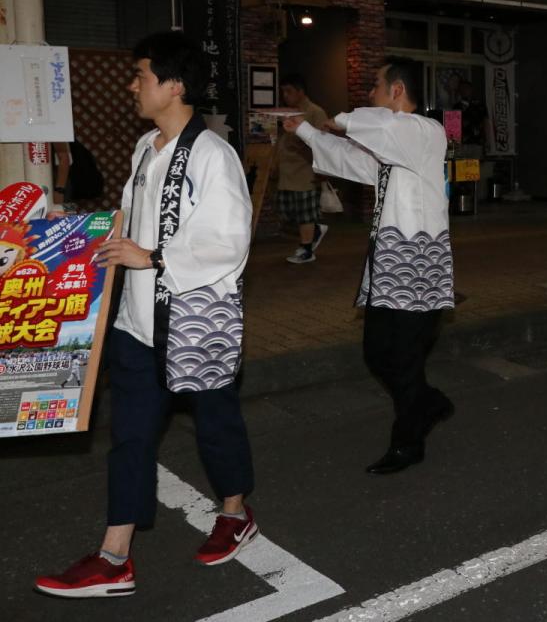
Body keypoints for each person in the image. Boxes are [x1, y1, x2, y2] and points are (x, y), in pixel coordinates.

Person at [35, 31, 257, 598]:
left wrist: (153, 255)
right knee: (130, 437)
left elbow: (230, 239)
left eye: (141, 75)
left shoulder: (213, 155)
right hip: (137, 323)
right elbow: (132, 225)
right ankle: (114, 558)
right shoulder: (145, 149)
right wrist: (74, 228)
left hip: (195, 320)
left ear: (175, 85)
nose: (133, 85)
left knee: (215, 426)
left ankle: (235, 511)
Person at [284, 56, 455, 475]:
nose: (370, 94)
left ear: (396, 91)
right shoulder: (395, 141)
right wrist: (304, 129)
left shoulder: (425, 131)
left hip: (418, 261)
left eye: (376, 86)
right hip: (389, 261)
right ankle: (428, 403)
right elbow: (352, 160)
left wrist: (339, 120)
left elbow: (378, 127)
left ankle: (409, 438)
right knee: (378, 353)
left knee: (403, 356)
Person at [276, 74, 330, 264]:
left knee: (304, 212)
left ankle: (307, 249)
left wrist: (321, 170)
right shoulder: (288, 112)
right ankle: (314, 230)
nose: (285, 95)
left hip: (305, 169)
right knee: (290, 212)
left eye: (289, 91)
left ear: (301, 91)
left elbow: (323, 142)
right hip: (287, 170)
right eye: (283, 91)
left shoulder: (315, 112)